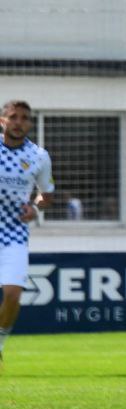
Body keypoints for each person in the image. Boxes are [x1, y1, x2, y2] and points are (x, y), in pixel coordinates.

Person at [0, 100, 54, 373]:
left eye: (24, 118)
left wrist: (34, 207)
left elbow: (47, 194)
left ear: (30, 123)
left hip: (13, 232)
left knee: (12, 293)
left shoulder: (38, 156)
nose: (19, 122)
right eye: (13, 117)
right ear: (2, 121)